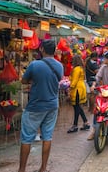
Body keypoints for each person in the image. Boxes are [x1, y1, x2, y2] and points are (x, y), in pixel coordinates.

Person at [18, 39, 63, 172]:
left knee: (27, 138)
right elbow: (57, 80)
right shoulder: (59, 66)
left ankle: (22, 169)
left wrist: (35, 80)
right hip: (52, 105)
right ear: (54, 51)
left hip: (35, 106)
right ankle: (43, 168)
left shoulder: (34, 65)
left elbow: (24, 81)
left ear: (42, 49)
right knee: (47, 137)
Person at [67, 54, 90, 133]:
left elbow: (74, 80)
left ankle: (75, 125)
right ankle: (85, 122)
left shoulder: (76, 69)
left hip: (77, 89)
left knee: (76, 107)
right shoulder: (80, 68)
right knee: (78, 107)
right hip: (80, 88)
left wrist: (70, 88)